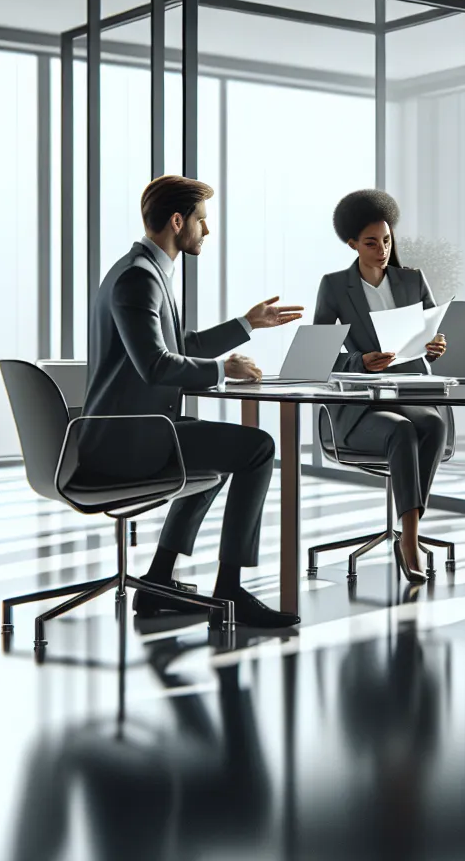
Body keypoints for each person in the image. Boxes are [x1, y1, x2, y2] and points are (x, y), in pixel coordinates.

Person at [82, 174, 306, 628]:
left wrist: (247, 324)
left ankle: (159, 580)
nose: (207, 230)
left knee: (224, 453)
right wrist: (227, 369)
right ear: (178, 221)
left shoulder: (143, 271)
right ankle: (230, 591)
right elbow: (157, 365)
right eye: (202, 221)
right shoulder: (137, 280)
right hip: (127, 439)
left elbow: (179, 343)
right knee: (258, 449)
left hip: (137, 427)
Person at [313, 190, 450, 584]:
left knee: (434, 425)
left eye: (387, 240)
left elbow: (432, 335)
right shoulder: (335, 286)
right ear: (353, 243)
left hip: (407, 391)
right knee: (403, 431)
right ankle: (411, 540)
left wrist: (437, 346)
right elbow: (320, 353)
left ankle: (409, 530)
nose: (382, 249)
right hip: (360, 405)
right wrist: (359, 361)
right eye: (371, 242)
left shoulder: (412, 280)